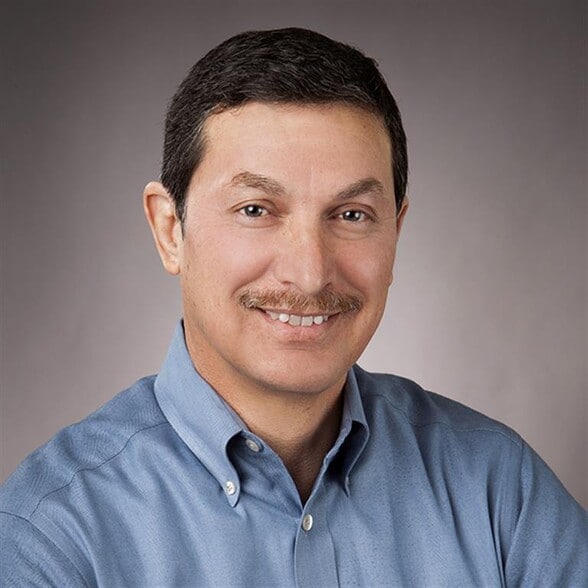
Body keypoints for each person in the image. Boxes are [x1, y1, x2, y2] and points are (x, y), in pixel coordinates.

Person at [1, 27, 585, 587]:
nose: (309, 273)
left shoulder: (501, 492)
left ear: (396, 231)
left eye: (351, 215)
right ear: (170, 229)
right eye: (256, 209)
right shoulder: (49, 535)